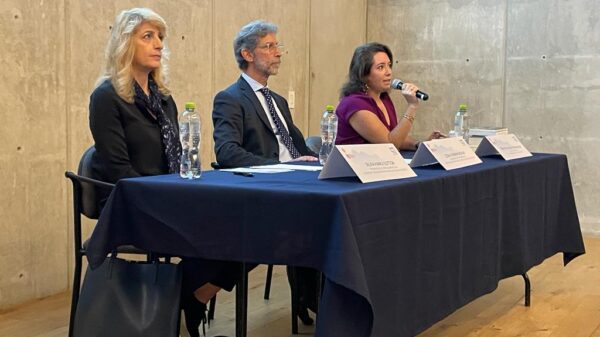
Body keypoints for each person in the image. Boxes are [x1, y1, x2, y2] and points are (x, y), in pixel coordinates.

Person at [88, 8, 231, 337]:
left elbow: (179, 158)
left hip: (167, 198)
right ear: (126, 43)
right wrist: (169, 198)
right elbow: (119, 170)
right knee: (220, 236)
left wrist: (185, 190)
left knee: (242, 228)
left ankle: (186, 300)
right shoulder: (106, 97)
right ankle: (180, 304)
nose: (158, 45)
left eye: (161, 38)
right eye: (148, 37)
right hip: (132, 205)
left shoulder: (163, 98)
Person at [212, 20, 320, 325]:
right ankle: (311, 298)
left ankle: (315, 297)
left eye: (278, 46)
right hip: (265, 191)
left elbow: (299, 150)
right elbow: (227, 153)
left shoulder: (279, 102)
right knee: (310, 224)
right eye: (269, 46)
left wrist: (312, 160)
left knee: (333, 217)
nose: (278, 53)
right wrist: (283, 167)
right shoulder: (230, 98)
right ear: (247, 54)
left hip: (297, 184)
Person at [336, 42, 445, 149]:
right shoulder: (354, 104)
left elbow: (395, 137)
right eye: (380, 67)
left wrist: (421, 145)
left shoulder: (384, 98)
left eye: (389, 65)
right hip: (353, 165)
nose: (388, 72)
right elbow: (391, 144)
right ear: (364, 74)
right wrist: (412, 106)